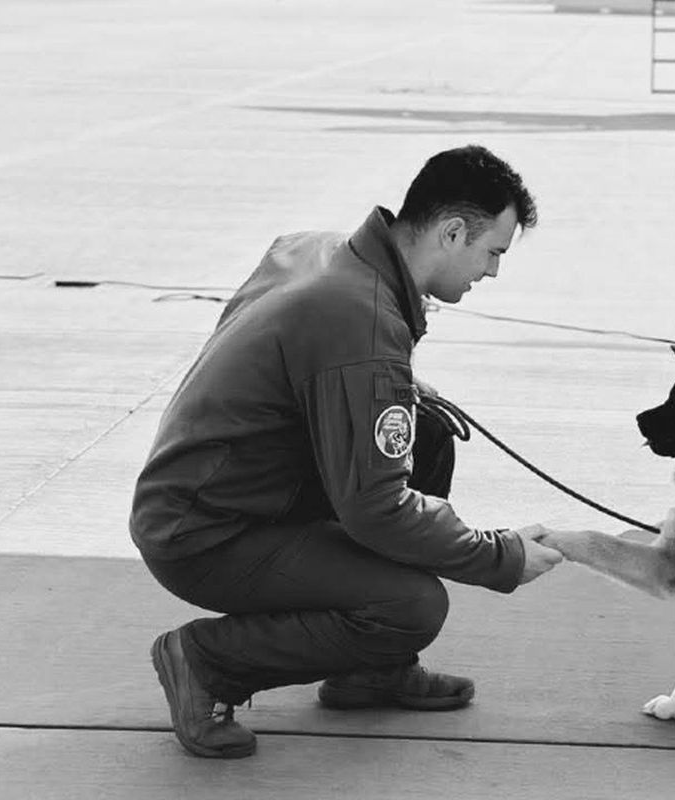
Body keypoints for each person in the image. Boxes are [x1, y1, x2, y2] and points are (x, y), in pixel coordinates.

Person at [130, 145, 567, 759]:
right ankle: (206, 661)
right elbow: (375, 509)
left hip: (230, 491)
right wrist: (499, 555)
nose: (492, 271)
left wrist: (376, 385)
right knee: (412, 606)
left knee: (426, 434)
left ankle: (370, 669)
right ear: (450, 232)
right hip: (205, 533)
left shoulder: (329, 254)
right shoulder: (359, 320)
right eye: (492, 252)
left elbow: (289, 327)